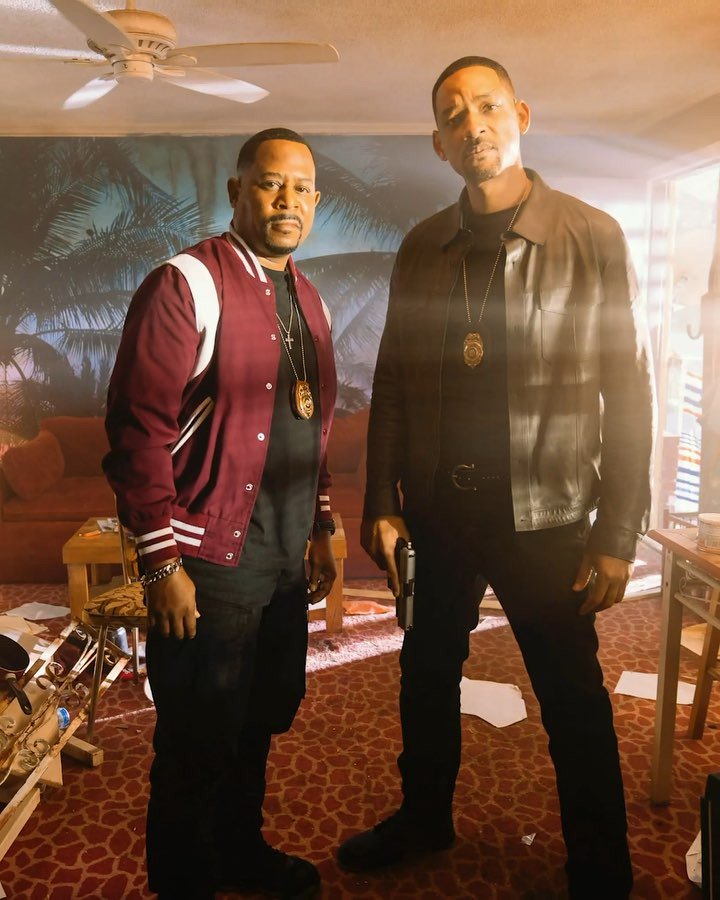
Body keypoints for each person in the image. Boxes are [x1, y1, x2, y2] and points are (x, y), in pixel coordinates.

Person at [336, 57, 655, 900]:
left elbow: (628, 389)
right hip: (439, 511)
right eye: (453, 115)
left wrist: (618, 531)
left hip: (548, 515)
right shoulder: (422, 246)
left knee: (571, 696)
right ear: (438, 144)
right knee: (425, 673)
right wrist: (381, 499)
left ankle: (602, 868)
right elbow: (394, 379)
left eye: (485, 106)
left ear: (520, 115)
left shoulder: (590, 234)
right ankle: (424, 817)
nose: (471, 123)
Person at [104, 128, 337, 900]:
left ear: (315, 202)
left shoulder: (310, 298)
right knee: (197, 737)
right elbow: (138, 434)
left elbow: (314, 425)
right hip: (208, 558)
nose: (287, 200)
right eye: (270, 183)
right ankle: (186, 883)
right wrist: (160, 563)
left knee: (259, 717)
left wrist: (322, 525)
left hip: (282, 558)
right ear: (238, 192)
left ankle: (240, 851)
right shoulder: (186, 284)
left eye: (301, 188)